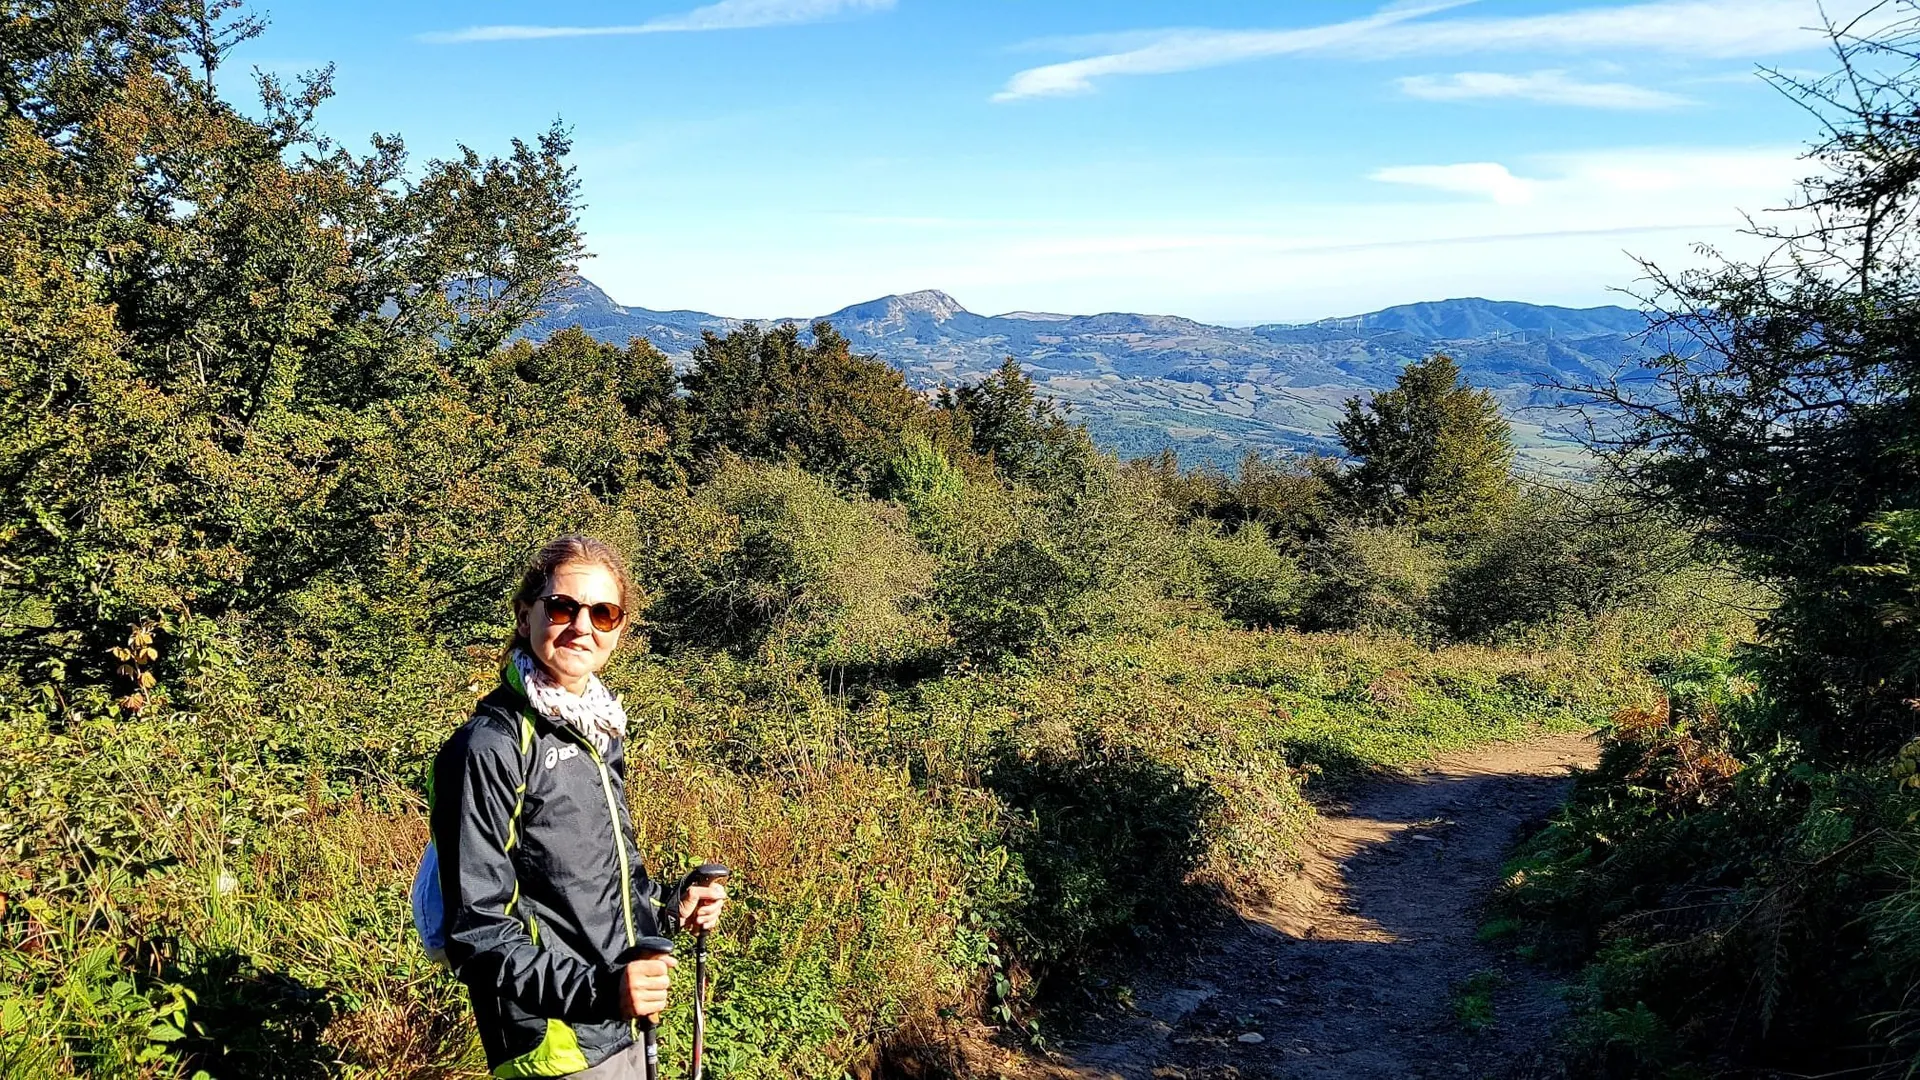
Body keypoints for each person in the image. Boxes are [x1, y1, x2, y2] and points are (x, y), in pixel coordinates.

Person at [431, 535, 727, 1079]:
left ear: (619, 630)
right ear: (526, 617)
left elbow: (591, 885)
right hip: (555, 1042)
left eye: (604, 613)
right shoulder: (490, 746)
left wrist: (670, 904)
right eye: (563, 607)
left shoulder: (598, 730)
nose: (582, 625)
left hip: (619, 1024)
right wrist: (602, 991)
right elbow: (475, 930)